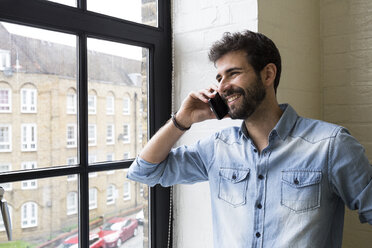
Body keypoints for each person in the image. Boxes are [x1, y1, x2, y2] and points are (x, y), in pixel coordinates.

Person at [127, 30, 372, 247]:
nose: (222, 87)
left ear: (268, 75)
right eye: (220, 78)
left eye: (233, 73)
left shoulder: (331, 145)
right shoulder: (217, 148)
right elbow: (144, 172)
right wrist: (182, 120)